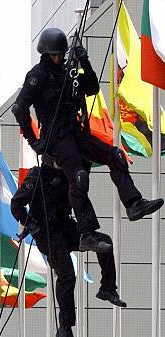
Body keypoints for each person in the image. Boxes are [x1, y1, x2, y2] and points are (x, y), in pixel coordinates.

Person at [11, 27, 163, 253]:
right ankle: (86, 232)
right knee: (79, 177)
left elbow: (91, 88)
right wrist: (34, 141)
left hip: (74, 131)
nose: (58, 58)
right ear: (45, 54)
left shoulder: (68, 72)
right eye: (54, 54)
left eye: (61, 54)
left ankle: (133, 203)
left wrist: (84, 61)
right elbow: (19, 108)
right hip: (56, 137)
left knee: (114, 155)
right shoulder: (37, 76)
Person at [11, 160, 127, 337]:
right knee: (67, 276)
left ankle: (107, 288)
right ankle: (65, 327)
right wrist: (31, 224)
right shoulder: (38, 176)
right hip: (48, 233)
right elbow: (17, 204)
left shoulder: (71, 173)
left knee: (104, 243)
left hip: (65, 226)